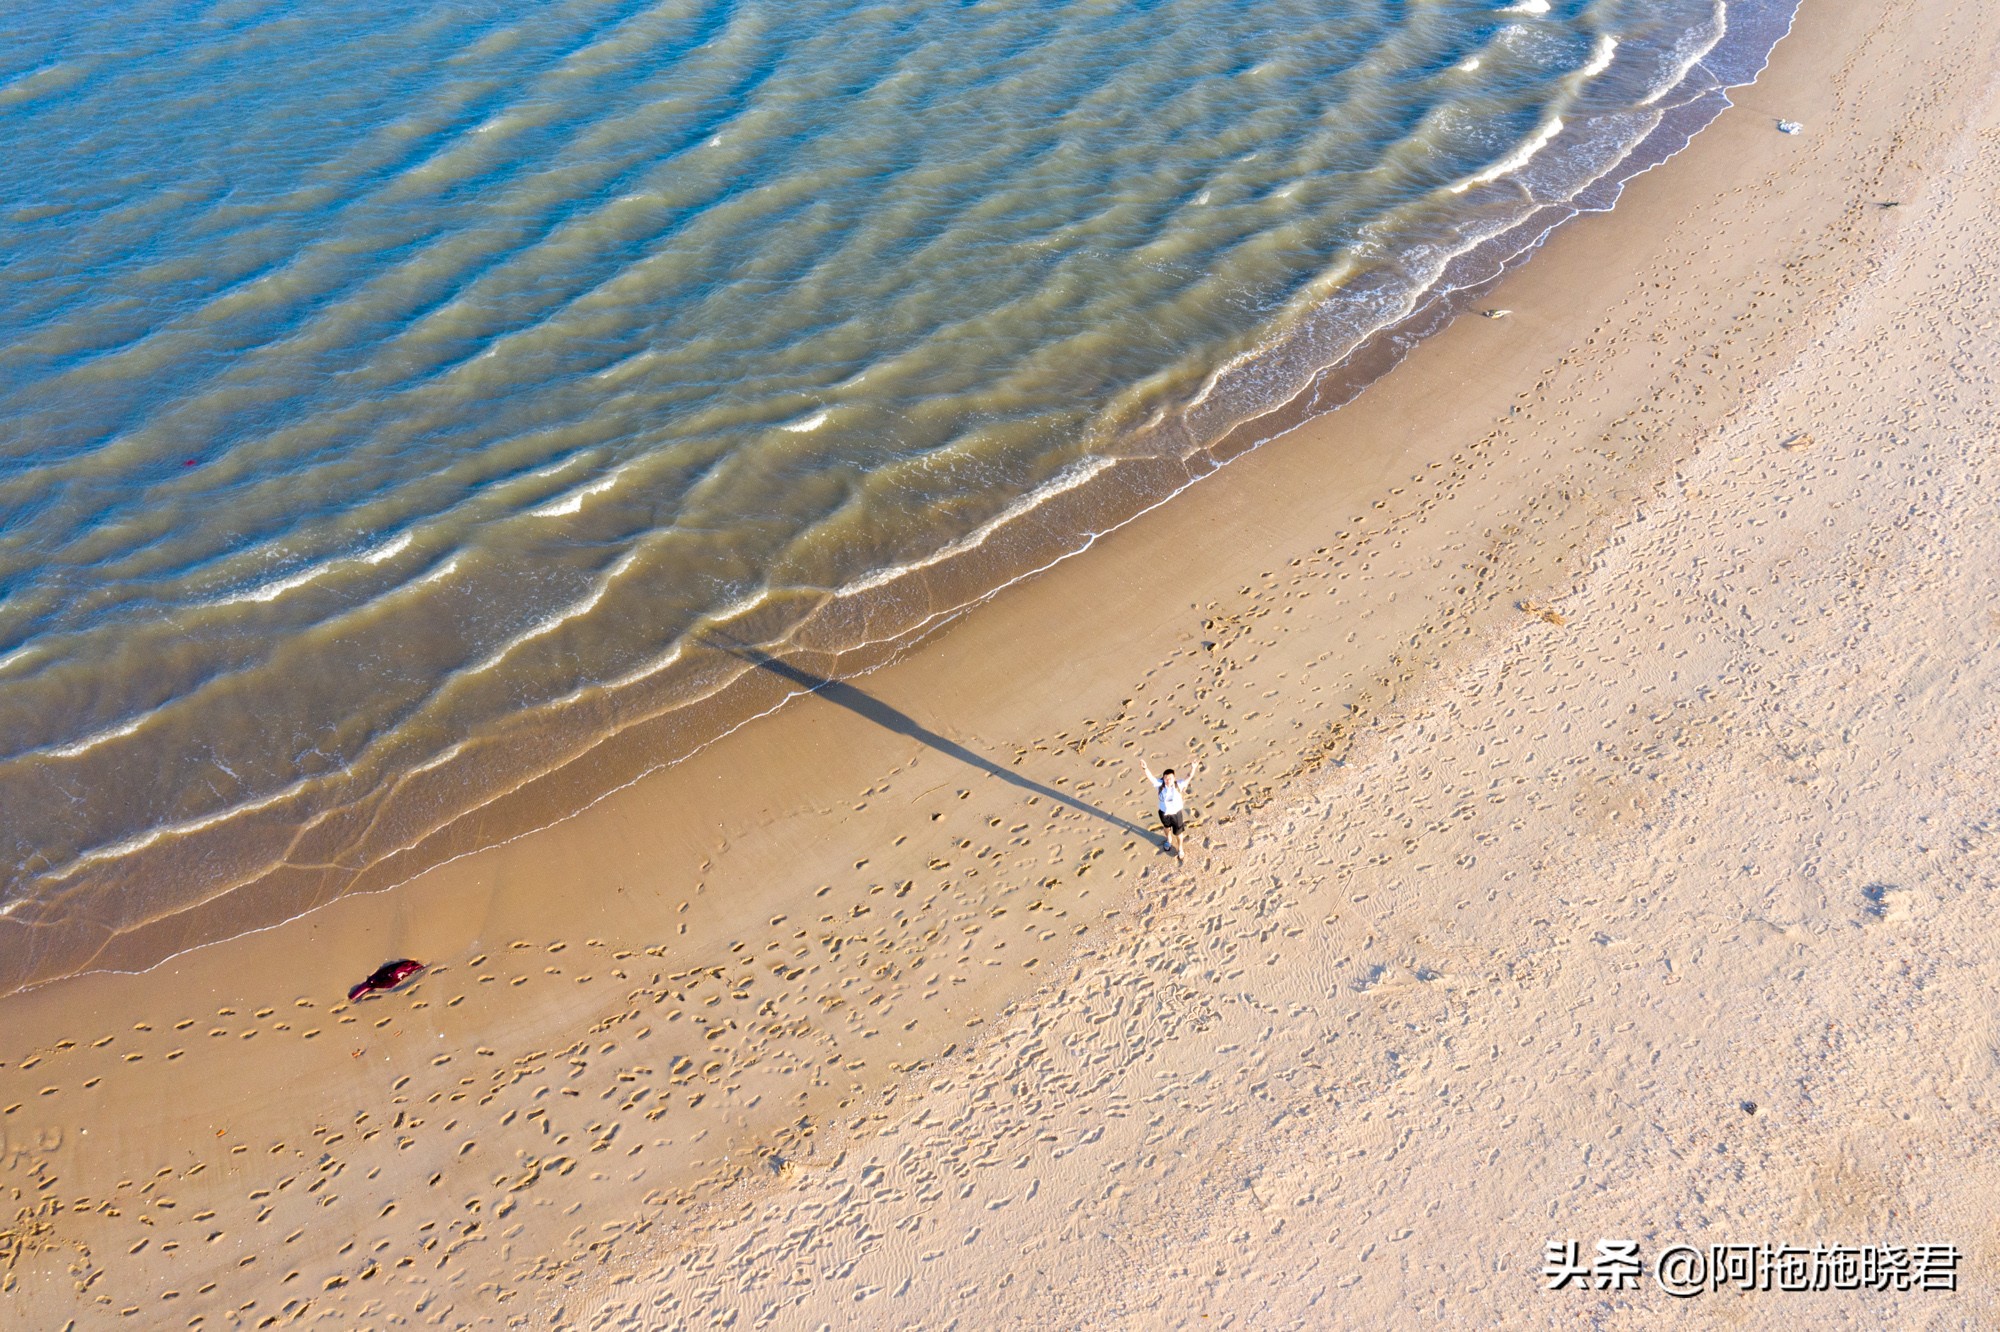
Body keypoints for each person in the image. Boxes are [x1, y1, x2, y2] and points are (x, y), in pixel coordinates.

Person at [1141, 757, 1198, 860]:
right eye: (1166, 778)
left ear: (1174, 778)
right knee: (1166, 828)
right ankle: (1168, 840)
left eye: (1170, 778)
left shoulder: (1178, 785)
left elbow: (1188, 776)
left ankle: (1180, 848)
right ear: (1163, 778)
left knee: (1178, 833)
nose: (1168, 780)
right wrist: (1145, 768)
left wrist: (1193, 768)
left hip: (1176, 814)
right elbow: (1151, 777)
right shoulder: (1160, 785)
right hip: (1163, 813)